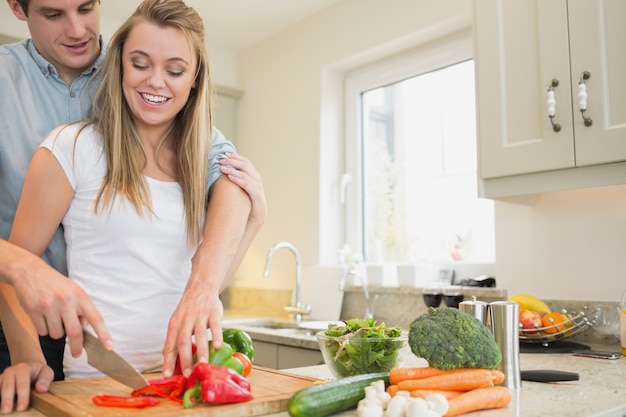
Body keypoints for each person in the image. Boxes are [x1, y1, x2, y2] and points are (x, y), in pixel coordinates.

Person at [0, 0, 266, 412]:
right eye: (140, 64)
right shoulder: (71, 145)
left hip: (180, 384)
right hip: (83, 371)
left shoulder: (200, 156)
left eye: (175, 71)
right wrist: (28, 357)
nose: (157, 81)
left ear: (195, 78)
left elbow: (197, 280)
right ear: (120, 64)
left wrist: (252, 223)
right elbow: (16, 268)